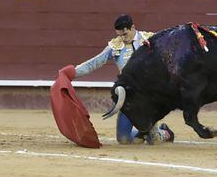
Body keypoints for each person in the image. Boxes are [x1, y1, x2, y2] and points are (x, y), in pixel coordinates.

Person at [74, 14, 174, 144]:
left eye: (125, 34)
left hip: (150, 98)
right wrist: (72, 72)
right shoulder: (115, 45)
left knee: (154, 140)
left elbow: (171, 55)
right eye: (120, 35)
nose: (123, 38)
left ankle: (166, 132)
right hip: (128, 98)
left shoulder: (150, 40)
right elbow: (95, 62)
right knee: (124, 139)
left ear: (132, 27)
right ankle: (142, 133)